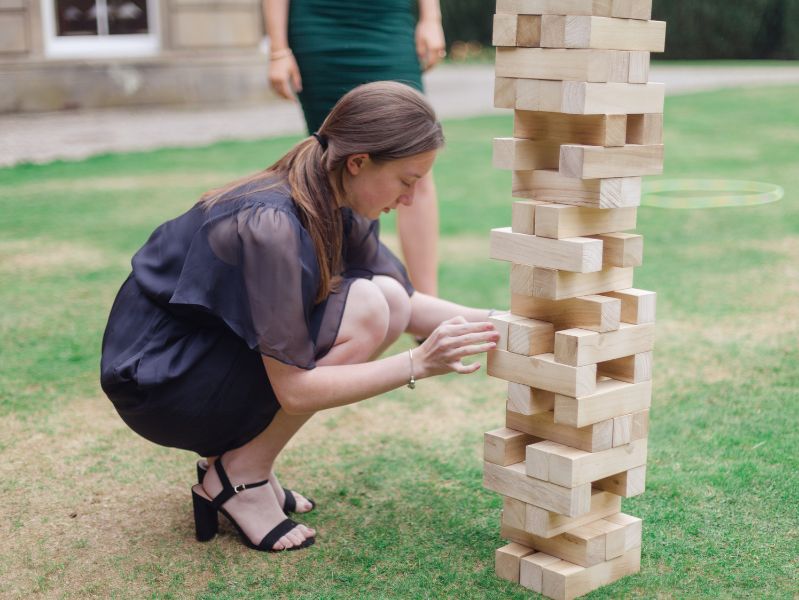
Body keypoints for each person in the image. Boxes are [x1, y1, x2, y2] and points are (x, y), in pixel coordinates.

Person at [99, 82, 499, 552]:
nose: (411, 199)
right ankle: (239, 478)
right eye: (407, 181)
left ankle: (235, 465)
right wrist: (418, 364)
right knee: (370, 307)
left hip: (209, 356)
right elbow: (294, 389)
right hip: (163, 382)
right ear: (358, 162)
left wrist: (506, 322)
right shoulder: (271, 224)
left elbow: (406, 304)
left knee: (386, 297)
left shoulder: (335, 195)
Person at [262, 0, 446, 298]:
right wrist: (278, 49)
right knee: (333, 167)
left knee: (414, 160)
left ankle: (427, 309)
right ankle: (343, 299)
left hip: (388, 18)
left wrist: (431, 17)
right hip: (319, 21)